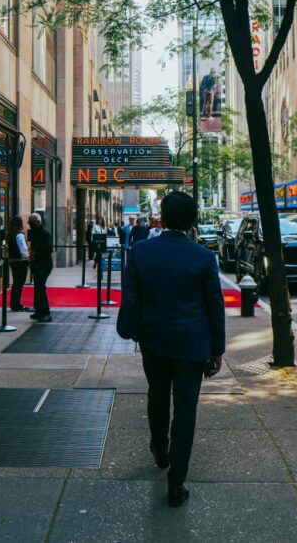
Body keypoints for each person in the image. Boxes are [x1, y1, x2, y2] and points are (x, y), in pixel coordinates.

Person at [117, 191, 225, 508]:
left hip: (153, 340)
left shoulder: (140, 251)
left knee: (157, 394)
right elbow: (214, 307)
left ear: (161, 218)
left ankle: (159, 449)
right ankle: (176, 481)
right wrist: (217, 349)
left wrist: (134, 330)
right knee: (186, 408)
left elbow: (132, 298)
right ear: (192, 220)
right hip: (192, 344)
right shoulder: (203, 258)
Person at [27, 212, 54, 322]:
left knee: (41, 288)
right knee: (38, 288)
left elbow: (48, 249)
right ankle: (39, 311)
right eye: (29, 223)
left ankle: (46, 312)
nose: (30, 225)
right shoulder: (34, 233)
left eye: (32, 223)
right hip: (37, 263)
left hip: (44, 264)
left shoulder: (44, 233)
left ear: (38, 222)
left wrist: (36, 254)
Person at [7, 216, 33, 314]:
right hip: (20, 261)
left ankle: (14, 304)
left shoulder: (10, 234)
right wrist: (28, 257)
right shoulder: (19, 235)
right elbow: (23, 249)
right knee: (19, 283)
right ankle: (16, 304)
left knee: (16, 283)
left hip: (13, 261)